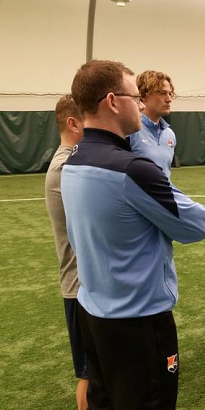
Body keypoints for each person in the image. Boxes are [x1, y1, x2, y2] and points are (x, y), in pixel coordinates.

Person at [61, 60, 205, 409]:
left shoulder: (73, 160)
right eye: (134, 96)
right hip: (139, 323)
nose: (140, 104)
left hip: (94, 313)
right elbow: (197, 225)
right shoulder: (131, 168)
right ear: (113, 101)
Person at [44, 94, 89, 410]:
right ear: (73, 123)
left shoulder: (76, 160)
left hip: (91, 286)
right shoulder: (67, 167)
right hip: (81, 288)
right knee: (90, 375)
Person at [127, 70, 177, 179]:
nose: (169, 99)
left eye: (170, 94)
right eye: (162, 93)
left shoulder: (169, 134)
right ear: (144, 95)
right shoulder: (129, 131)